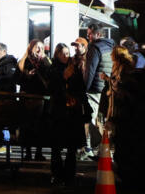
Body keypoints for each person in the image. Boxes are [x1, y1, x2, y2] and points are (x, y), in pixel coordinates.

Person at [48, 43, 86, 187]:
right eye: (62, 53)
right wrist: (63, 77)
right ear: (57, 55)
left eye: (67, 53)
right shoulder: (53, 69)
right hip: (58, 110)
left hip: (72, 111)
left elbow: (81, 87)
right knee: (56, 145)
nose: (66, 56)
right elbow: (51, 88)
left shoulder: (74, 68)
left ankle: (69, 175)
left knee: (71, 145)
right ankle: (56, 174)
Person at [82, 23, 115, 161]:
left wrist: (85, 87)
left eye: (90, 34)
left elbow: (90, 71)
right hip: (107, 89)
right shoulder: (112, 46)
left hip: (94, 89)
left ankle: (88, 149)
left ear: (98, 34)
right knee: (103, 121)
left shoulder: (94, 48)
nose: (88, 36)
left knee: (89, 119)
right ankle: (104, 148)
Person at [18, 39, 50, 161]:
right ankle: (28, 152)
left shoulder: (46, 61)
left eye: (42, 47)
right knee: (27, 126)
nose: (39, 50)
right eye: (37, 47)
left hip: (42, 98)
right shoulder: (24, 61)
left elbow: (50, 78)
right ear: (31, 48)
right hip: (28, 98)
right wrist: (26, 75)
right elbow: (17, 79)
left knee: (40, 127)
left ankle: (38, 152)